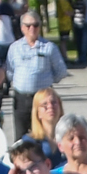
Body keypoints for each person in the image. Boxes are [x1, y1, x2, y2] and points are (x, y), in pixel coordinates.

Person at [6, 9, 70, 139]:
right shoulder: (14, 48)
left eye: (35, 25)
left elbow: (61, 71)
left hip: (43, 99)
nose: (32, 29)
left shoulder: (49, 47)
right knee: (20, 137)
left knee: (45, 135)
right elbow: (10, 71)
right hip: (22, 99)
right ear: (22, 28)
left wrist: (46, 81)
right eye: (28, 26)